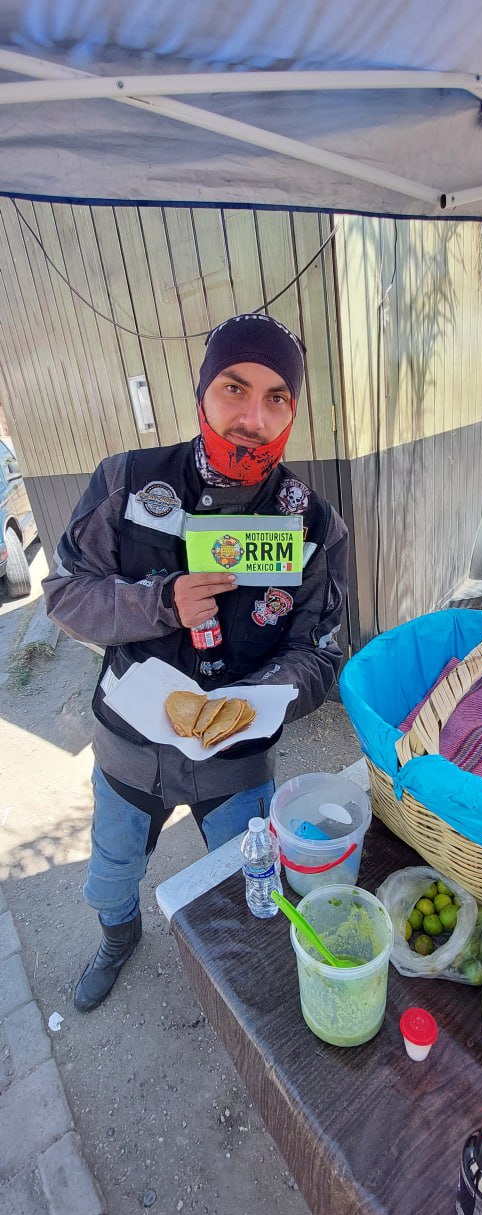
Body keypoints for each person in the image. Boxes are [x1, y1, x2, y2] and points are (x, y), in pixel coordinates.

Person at [43, 313, 348, 1013]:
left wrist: (261, 698)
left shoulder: (312, 523)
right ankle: (118, 938)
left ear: (292, 413)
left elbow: (320, 650)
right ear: (202, 391)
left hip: (237, 760)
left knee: (252, 885)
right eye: (235, 388)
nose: (252, 416)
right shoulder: (128, 482)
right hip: (130, 750)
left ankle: (248, 984)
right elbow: (65, 593)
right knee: (114, 869)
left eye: (277, 398)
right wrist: (158, 603)